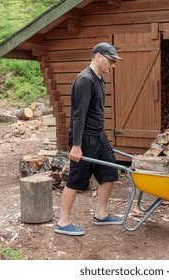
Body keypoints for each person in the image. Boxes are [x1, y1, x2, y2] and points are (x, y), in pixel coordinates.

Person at [54, 42, 123, 236]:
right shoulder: (85, 80)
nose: (113, 65)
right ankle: (63, 222)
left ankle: (101, 214)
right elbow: (79, 115)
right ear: (98, 56)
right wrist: (76, 146)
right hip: (83, 138)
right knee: (76, 180)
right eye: (111, 60)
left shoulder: (100, 79)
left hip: (98, 136)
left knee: (110, 172)